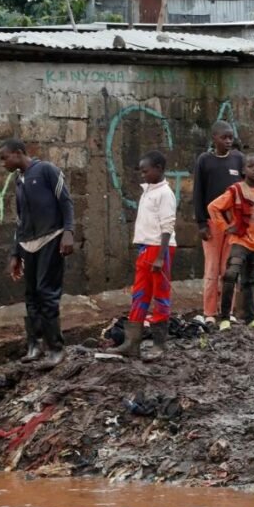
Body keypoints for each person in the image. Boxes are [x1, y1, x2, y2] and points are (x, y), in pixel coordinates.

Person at [0, 139, 75, 371]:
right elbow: (21, 220)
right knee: (31, 294)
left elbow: (66, 201)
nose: (3, 164)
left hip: (51, 239)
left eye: (5, 158)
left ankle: (56, 348)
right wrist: (16, 253)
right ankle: (34, 345)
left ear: (18, 153)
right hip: (28, 244)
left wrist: (68, 232)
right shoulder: (19, 180)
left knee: (47, 293)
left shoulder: (46, 170)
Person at [101, 151, 176, 361]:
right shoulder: (149, 191)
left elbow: (167, 226)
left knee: (160, 295)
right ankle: (131, 343)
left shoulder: (165, 194)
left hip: (159, 248)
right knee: (140, 294)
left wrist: (160, 257)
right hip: (145, 248)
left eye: (146, 170)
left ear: (159, 168)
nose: (142, 175)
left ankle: (160, 345)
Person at [207, 153, 254, 331]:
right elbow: (213, 207)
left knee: (253, 280)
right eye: (251, 166)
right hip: (240, 240)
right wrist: (225, 227)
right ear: (243, 170)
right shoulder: (235, 190)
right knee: (231, 274)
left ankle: (251, 318)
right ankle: (224, 318)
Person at [192, 120, 245, 325]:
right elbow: (198, 193)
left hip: (234, 222)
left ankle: (227, 311)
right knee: (212, 267)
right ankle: (209, 312)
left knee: (229, 268)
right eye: (224, 137)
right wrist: (201, 223)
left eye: (231, 137)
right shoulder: (204, 160)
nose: (229, 141)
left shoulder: (238, 159)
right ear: (214, 138)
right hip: (213, 221)